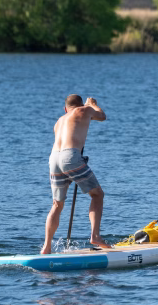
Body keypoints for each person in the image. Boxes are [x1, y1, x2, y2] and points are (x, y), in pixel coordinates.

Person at [41, 94, 110, 254]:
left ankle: (46, 247)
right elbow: (102, 116)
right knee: (97, 195)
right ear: (80, 106)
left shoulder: (59, 121)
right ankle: (95, 236)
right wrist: (92, 105)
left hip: (53, 159)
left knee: (57, 204)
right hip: (70, 156)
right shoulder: (84, 110)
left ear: (65, 109)